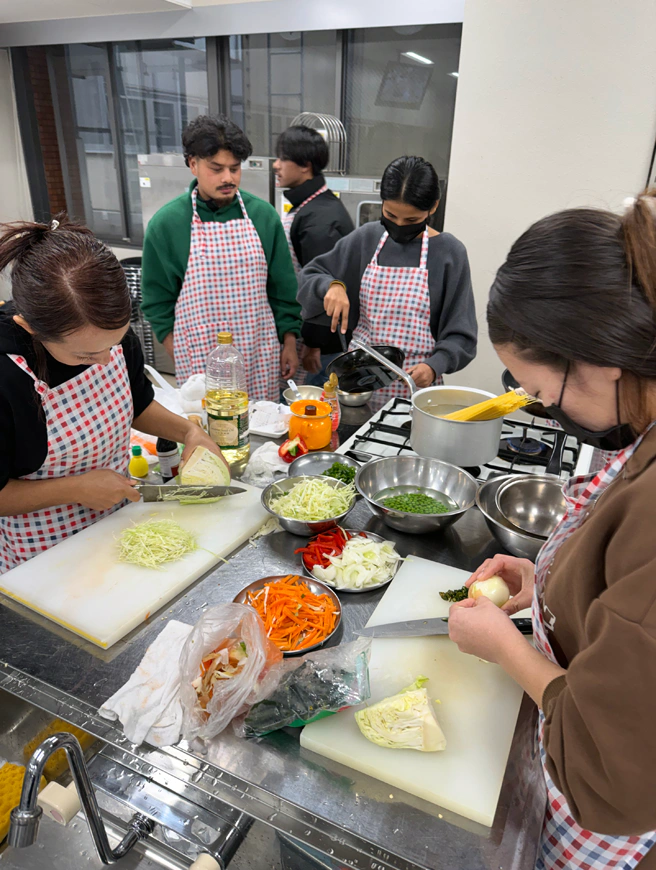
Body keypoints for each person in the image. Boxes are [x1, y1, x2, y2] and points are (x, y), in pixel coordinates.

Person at [448, 193, 656, 869]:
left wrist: (506, 651)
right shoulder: (641, 429)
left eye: (543, 395)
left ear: (600, 360)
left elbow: (605, 765)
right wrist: (548, 585)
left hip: (605, 823)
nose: (545, 409)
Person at [0, 217, 228, 574]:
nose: (106, 360)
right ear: (29, 327)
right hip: (44, 560)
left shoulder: (109, 335)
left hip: (120, 530)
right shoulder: (5, 375)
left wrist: (189, 432)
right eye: (85, 356)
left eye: (114, 343)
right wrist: (74, 488)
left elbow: (135, 403)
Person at [141, 114, 302, 400]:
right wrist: (175, 347)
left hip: (258, 351)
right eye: (216, 168)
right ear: (193, 164)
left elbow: (282, 289)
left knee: (260, 428)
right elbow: (157, 300)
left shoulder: (263, 217)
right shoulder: (167, 224)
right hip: (200, 357)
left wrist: (289, 340)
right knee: (206, 431)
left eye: (235, 168)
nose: (228, 178)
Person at [297, 155, 477, 405]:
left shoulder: (449, 253)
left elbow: (462, 334)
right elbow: (311, 274)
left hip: (416, 389)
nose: (400, 226)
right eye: (390, 216)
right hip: (357, 387)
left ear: (433, 207)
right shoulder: (367, 239)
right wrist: (332, 286)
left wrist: (435, 366)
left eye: (412, 220)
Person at [274, 125, 354, 385]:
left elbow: (326, 284)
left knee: (313, 411)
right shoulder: (311, 206)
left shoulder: (320, 218)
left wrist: (314, 345)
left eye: (282, 158)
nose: (276, 165)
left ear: (305, 165)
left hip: (320, 344)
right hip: (306, 335)